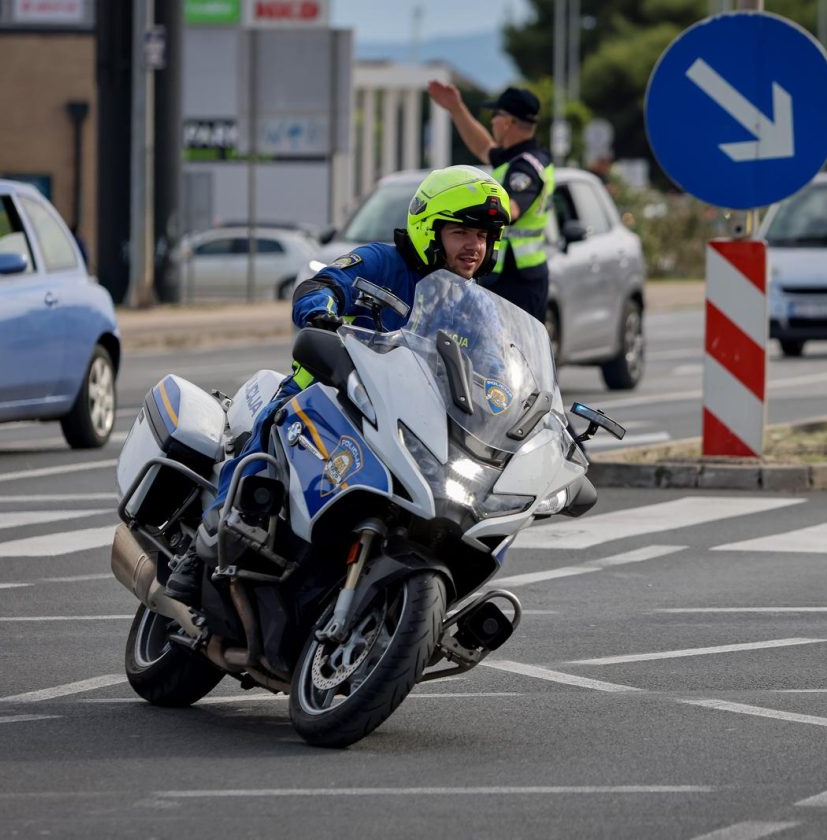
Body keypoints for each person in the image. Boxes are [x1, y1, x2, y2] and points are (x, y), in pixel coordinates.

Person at [165, 165, 511, 605]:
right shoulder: (382, 263)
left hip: (413, 424)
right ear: (429, 227)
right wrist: (320, 310)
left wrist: (514, 407)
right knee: (269, 435)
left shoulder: (475, 308)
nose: (475, 246)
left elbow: (497, 371)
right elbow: (323, 283)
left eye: (484, 236)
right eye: (464, 232)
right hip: (332, 395)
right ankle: (205, 549)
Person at [427, 82, 554, 323]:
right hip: (511, 275)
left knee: (514, 356)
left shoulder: (525, 168)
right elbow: (484, 147)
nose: (491, 121)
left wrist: (465, 211)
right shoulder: (520, 157)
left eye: (495, 115)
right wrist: (456, 109)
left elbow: (512, 209)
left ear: (507, 122)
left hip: (516, 280)